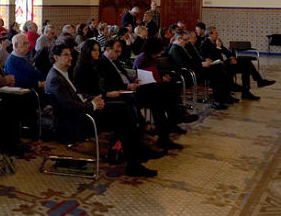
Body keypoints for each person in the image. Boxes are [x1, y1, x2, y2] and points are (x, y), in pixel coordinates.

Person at [46, 43, 159, 177]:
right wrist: (93, 104)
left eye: (70, 54)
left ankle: (133, 155)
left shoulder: (63, 73)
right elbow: (71, 106)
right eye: (66, 55)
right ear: (56, 57)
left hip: (81, 114)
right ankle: (133, 158)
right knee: (122, 112)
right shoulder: (55, 79)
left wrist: (95, 99)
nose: (70, 57)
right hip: (73, 123)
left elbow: (79, 95)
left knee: (123, 110)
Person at [200, 27, 274, 98]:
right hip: (218, 66)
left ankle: (253, 86)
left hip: (226, 63)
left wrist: (232, 58)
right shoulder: (205, 44)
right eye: (215, 33)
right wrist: (218, 47)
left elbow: (226, 51)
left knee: (246, 63)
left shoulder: (217, 41)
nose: (217, 34)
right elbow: (213, 57)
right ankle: (249, 88)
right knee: (245, 65)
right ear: (210, 34)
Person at [169, 30, 230, 110]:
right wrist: (201, 64)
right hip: (186, 74)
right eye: (185, 39)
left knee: (218, 70)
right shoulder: (175, 49)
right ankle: (218, 101)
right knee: (215, 73)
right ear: (179, 39)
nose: (187, 41)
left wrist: (203, 63)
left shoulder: (181, 47)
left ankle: (223, 98)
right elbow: (184, 65)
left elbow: (191, 61)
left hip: (192, 70)